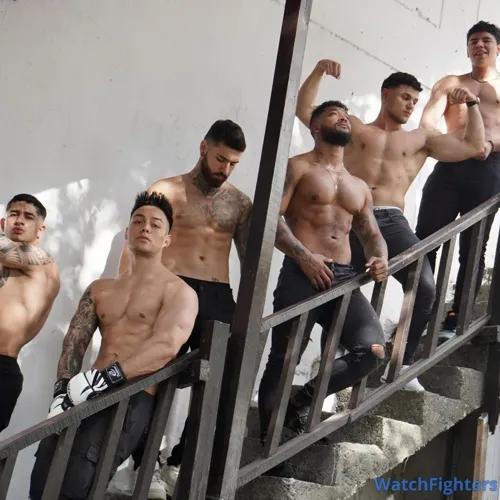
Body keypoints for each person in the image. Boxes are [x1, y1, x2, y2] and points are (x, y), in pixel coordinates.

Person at [296, 60, 486, 389]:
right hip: (352, 219)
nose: (411, 105)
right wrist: (318, 71)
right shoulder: (355, 129)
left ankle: (402, 364)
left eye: (415, 100)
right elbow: (305, 110)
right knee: (334, 294)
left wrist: (471, 104)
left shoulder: (420, 139)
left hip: (392, 220)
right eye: (405, 97)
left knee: (425, 286)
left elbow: (473, 146)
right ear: (385, 95)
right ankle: (323, 377)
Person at [30, 191, 198, 500]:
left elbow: (165, 346)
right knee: (43, 471)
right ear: (127, 232)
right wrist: (62, 390)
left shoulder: (179, 292)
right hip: (83, 394)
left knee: (77, 482)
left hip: (130, 396)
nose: (145, 227)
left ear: (167, 240)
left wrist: (105, 379)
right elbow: (74, 342)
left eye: (155, 224)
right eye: (138, 221)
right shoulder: (101, 289)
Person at [119, 119, 251, 495]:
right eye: (221, 159)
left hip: (218, 293)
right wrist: (129, 290)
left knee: (221, 380)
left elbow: (250, 259)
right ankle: (144, 464)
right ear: (203, 147)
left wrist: (248, 310)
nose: (225, 169)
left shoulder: (240, 203)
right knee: (153, 375)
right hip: (172, 286)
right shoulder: (165, 190)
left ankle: (180, 461)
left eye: (233, 164)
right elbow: (137, 243)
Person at [258, 100, 388, 440]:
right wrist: (304, 257)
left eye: (345, 114)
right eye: (333, 113)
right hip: (302, 272)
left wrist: (380, 258)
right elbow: (270, 217)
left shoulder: (358, 185)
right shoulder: (298, 167)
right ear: (315, 127)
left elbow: (372, 235)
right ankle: (270, 442)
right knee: (285, 358)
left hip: (344, 278)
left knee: (372, 350)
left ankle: (300, 401)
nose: (343, 117)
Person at [416, 20, 500, 336]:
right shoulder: (451, 83)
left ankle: (455, 318)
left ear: (498, 48)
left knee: (474, 243)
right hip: (451, 164)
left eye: (486, 40)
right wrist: (448, 145)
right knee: (426, 237)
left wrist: (490, 144)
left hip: (490, 164)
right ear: (467, 49)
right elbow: (428, 122)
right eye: (473, 41)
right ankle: (418, 312)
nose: (479, 45)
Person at [0, 193, 59, 433]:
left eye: (28, 217)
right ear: (3, 222)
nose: (19, 220)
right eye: (14, 214)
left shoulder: (42, 262)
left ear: (40, 229)